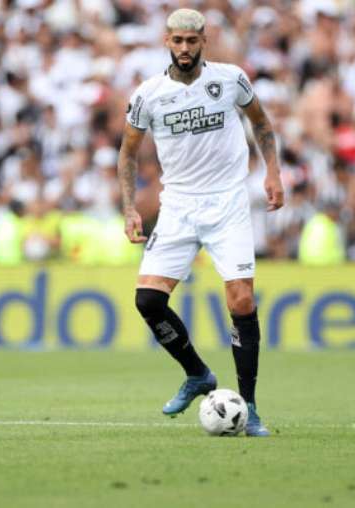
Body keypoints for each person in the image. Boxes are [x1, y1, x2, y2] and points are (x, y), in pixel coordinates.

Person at [117, 8, 284, 436]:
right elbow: (128, 153)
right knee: (147, 302)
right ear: (167, 42)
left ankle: (249, 406)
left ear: (204, 41)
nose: (185, 48)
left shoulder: (230, 79)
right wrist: (130, 206)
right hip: (177, 206)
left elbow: (261, 123)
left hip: (227, 203)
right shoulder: (148, 94)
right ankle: (198, 375)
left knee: (241, 302)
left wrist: (273, 173)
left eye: (192, 41)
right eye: (177, 41)